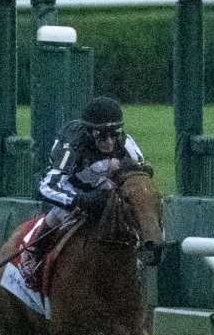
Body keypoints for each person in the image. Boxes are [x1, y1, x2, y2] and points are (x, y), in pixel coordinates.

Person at [21, 96, 147, 283]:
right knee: (60, 213)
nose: (110, 142)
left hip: (106, 185)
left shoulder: (125, 142)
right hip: (73, 186)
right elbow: (47, 186)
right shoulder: (71, 147)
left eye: (114, 134)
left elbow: (140, 174)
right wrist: (80, 200)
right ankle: (34, 256)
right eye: (101, 136)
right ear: (89, 133)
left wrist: (122, 169)